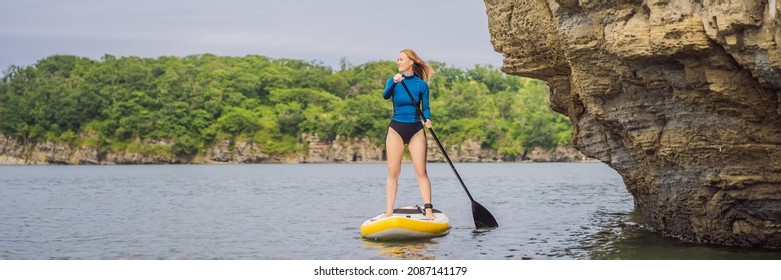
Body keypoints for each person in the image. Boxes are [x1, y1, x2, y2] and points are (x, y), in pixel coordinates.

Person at [381, 49, 435, 220]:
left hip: (416, 129)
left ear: (411, 61)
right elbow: (385, 96)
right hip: (396, 128)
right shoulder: (394, 80)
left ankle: (428, 211)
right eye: (397, 59)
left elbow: (425, 107)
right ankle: (389, 211)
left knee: (421, 172)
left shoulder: (421, 85)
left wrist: (427, 119)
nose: (398, 62)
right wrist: (394, 83)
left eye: (401, 59)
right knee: (393, 172)